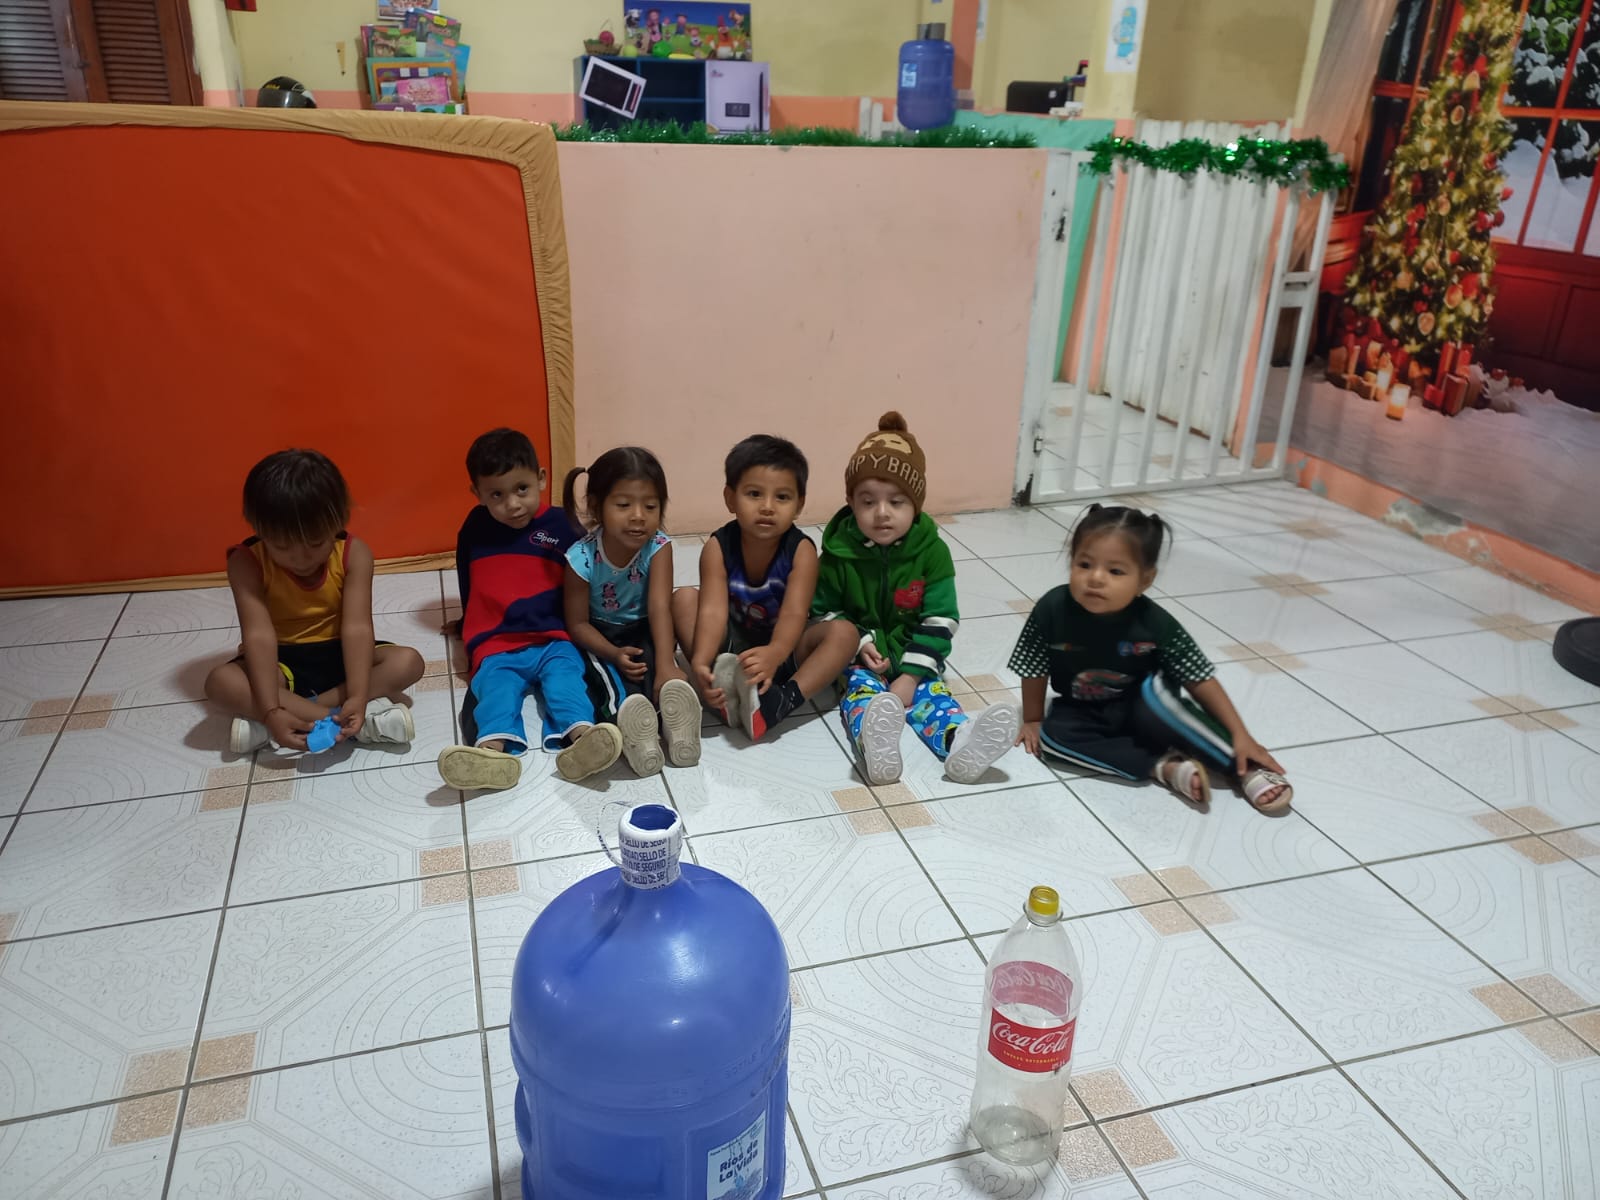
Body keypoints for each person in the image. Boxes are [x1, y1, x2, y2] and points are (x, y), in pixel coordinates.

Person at [1009, 504, 1292, 812]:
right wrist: (1033, 719)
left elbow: (1198, 678)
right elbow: (1033, 665)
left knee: (1158, 698)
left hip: (1146, 706)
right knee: (1052, 739)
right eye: (1085, 564)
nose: (1096, 578)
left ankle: (1245, 767)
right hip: (1083, 707)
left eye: (1115, 571)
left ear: (1144, 580)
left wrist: (1241, 734)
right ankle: (1163, 766)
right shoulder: (1052, 608)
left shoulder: (1154, 623)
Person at [813, 412, 1021, 786]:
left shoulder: (932, 552)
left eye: (896, 501)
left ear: (916, 503)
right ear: (850, 501)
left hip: (917, 656)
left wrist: (910, 676)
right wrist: (860, 643)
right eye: (867, 501)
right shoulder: (837, 554)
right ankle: (876, 745)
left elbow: (941, 618)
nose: (882, 513)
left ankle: (960, 743)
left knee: (935, 698)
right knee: (862, 696)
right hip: (861, 660)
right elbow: (821, 610)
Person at [435, 428, 623, 792]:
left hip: (554, 638)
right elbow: (468, 574)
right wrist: (467, 618)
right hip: (497, 643)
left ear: (541, 479)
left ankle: (583, 741)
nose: (513, 504)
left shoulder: (564, 525)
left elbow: (585, 579)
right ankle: (491, 754)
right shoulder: (475, 527)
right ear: (477, 494)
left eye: (522, 489)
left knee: (568, 685)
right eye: (497, 495)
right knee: (495, 693)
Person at [205, 449, 424, 754]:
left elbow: (357, 628)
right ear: (260, 530)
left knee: (409, 662)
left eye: (316, 543)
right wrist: (271, 709)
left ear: (337, 522)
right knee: (220, 682)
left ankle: (289, 718)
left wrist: (358, 695)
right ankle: (347, 722)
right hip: (281, 661)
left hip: (342, 654)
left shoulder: (354, 553)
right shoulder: (246, 562)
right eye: (282, 547)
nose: (301, 558)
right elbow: (258, 636)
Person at [671, 434, 859, 740]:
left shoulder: (801, 552)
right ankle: (719, 690)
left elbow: (795, 613)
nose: (768, 507)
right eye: (754, 494)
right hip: (730, 650)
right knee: (684, 599)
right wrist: (701, 660)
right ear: (730, 498)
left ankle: (780, 703)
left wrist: (775, 652)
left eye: (782, 497)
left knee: (845, 634)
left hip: (784, 650)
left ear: (799, 505)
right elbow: (712, 612)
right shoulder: (718, 547)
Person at [561, 446, 701, 776]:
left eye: (650, 506)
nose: (638, 516)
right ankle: (634, 734)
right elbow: (577, 624)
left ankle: (675, 728)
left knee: (659, 677)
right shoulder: (581, 558)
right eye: (624, 505)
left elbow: (659, 607)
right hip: (601, 634)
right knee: (612, 684)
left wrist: (666, 664)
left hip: (645, 626)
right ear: (596, 506)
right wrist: (611, 652)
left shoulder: (658, 547)